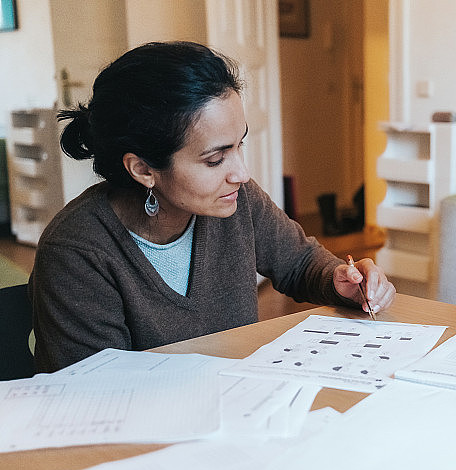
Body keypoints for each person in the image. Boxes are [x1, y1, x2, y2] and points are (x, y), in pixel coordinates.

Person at [29, 41, 395, 372]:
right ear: (142, 169)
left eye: (239, 145)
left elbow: (298, 262)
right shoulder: (77, 252)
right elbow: (99, 393)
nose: (242, 173)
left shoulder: (236, 201)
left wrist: (338, 281)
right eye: (215, 159)